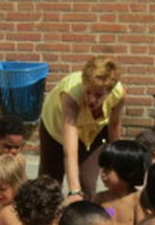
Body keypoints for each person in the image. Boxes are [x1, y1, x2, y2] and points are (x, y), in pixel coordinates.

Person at [39, 56, 126, 201]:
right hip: (57, 132)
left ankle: (83, 220)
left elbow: (114, 125)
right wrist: (74, 191)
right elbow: (70, 152)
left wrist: (117, 164)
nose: (91, 99)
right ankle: (45, 219)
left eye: (98, 95)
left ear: (109, 92)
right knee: (49, 184)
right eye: (88, 92)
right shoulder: (70, 96)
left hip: (93, 132)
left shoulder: (119, 94)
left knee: (87, 185)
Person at [94, 140, 149, 225]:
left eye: (108, 169)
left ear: (126, 170)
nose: (103, 174)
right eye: (103, 168)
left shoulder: (137, 199)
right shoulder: (100, 198)